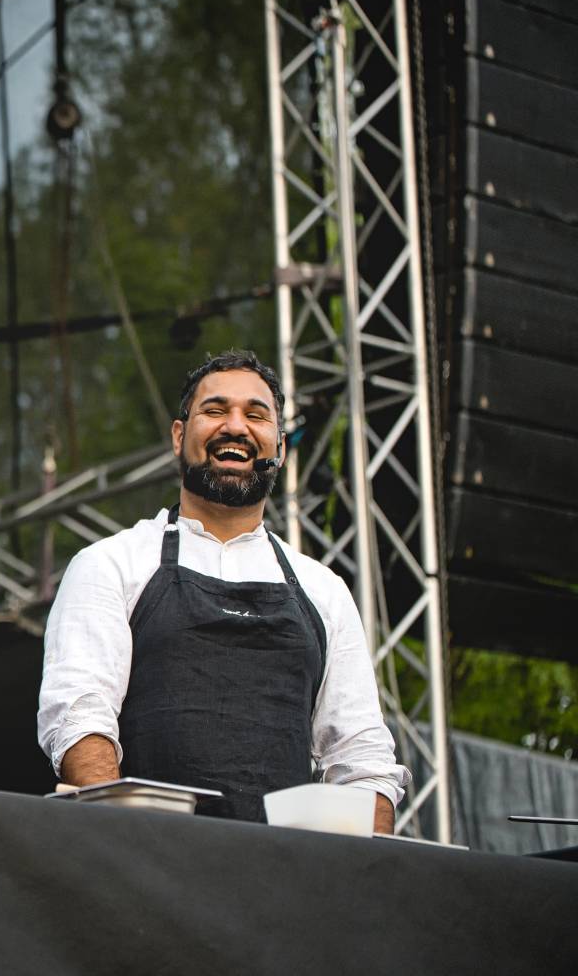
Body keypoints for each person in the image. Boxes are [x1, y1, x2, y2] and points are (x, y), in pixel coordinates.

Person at [36, 349, 409, 827]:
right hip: (150, 867)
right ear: (178, 436)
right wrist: (123, 846)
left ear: (279, 446)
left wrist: (354, 882)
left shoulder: (325, 590)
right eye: (215, 411)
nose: (236, 426)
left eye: (256, 415)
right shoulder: (110, 564)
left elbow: (364, 762)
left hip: (285, 880)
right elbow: (79, 719)